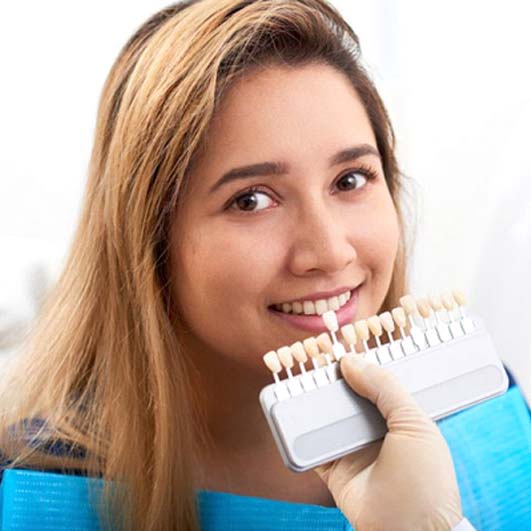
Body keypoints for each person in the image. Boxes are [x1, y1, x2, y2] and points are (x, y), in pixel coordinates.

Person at [0, 1, 475, 529]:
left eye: (350, 179)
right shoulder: (33, 496)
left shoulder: (492, 420)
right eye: (251, 200)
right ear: (149, 240)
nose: (330, 252)